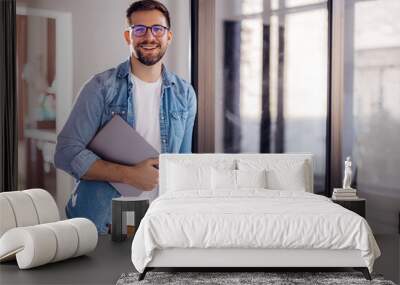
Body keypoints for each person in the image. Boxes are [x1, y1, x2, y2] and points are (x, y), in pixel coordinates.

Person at [54, 0, 197, 234]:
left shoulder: (185, 94)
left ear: (168, 36)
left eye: (157, 29)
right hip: (102, 223)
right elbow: (65, 152)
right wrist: (131, 175)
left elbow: (183, 162)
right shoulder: (100, 87)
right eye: (139, 29)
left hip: (157, 223)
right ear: (128, 36)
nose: (149, 37)